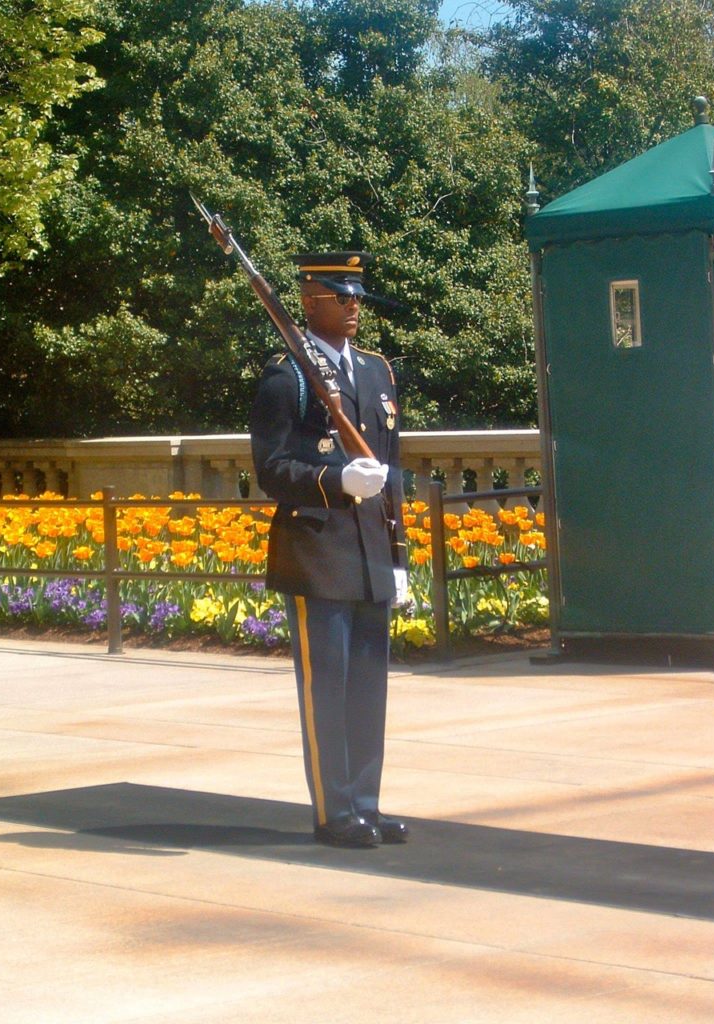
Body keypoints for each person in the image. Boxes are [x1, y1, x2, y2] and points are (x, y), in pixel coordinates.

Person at [250, 250, 409, 848]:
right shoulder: (286, 375)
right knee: (329, 688)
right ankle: (333, 811)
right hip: (317, 552)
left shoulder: (377, 372)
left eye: (358, 297)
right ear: (310, 301)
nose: (354, 308)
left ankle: (365, 803)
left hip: (370, 552)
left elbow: (391, 468)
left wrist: (399, 559)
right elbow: (272, 469)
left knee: (370, 688)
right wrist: (334, 480)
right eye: (342, 298)